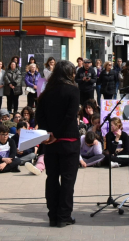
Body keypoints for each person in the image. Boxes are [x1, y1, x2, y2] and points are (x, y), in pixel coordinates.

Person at [35, 60, 80, 228]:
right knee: (68, 180)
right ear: (70, 73)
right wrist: (58, 133)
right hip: (69, 140)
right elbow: (70, 116)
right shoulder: (73, 90)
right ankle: (64, 215)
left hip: (50, 142)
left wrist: (49, 133)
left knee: (52, 178)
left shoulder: (46, 92)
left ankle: (53, 216)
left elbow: (39, 115)